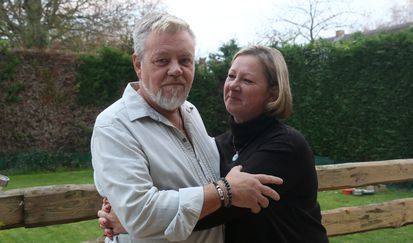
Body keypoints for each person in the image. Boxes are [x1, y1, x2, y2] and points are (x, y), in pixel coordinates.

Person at [99, 45, 329, 242]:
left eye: (247, 80)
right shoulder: (223, 144)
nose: (234, 85)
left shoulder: (285, 146)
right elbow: (192, 185)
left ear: (273, 94)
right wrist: (127, 204)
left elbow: (218, 209)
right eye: (231, 76)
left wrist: (136, 221)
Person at [91, 12, 283, 243]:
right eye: (162, 60)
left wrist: (128, 216)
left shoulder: (190, 111)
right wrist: (224, 191)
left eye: (185, 60)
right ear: (138, 65)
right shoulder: (114, 126)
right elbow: (141, 216)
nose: (176, 70)